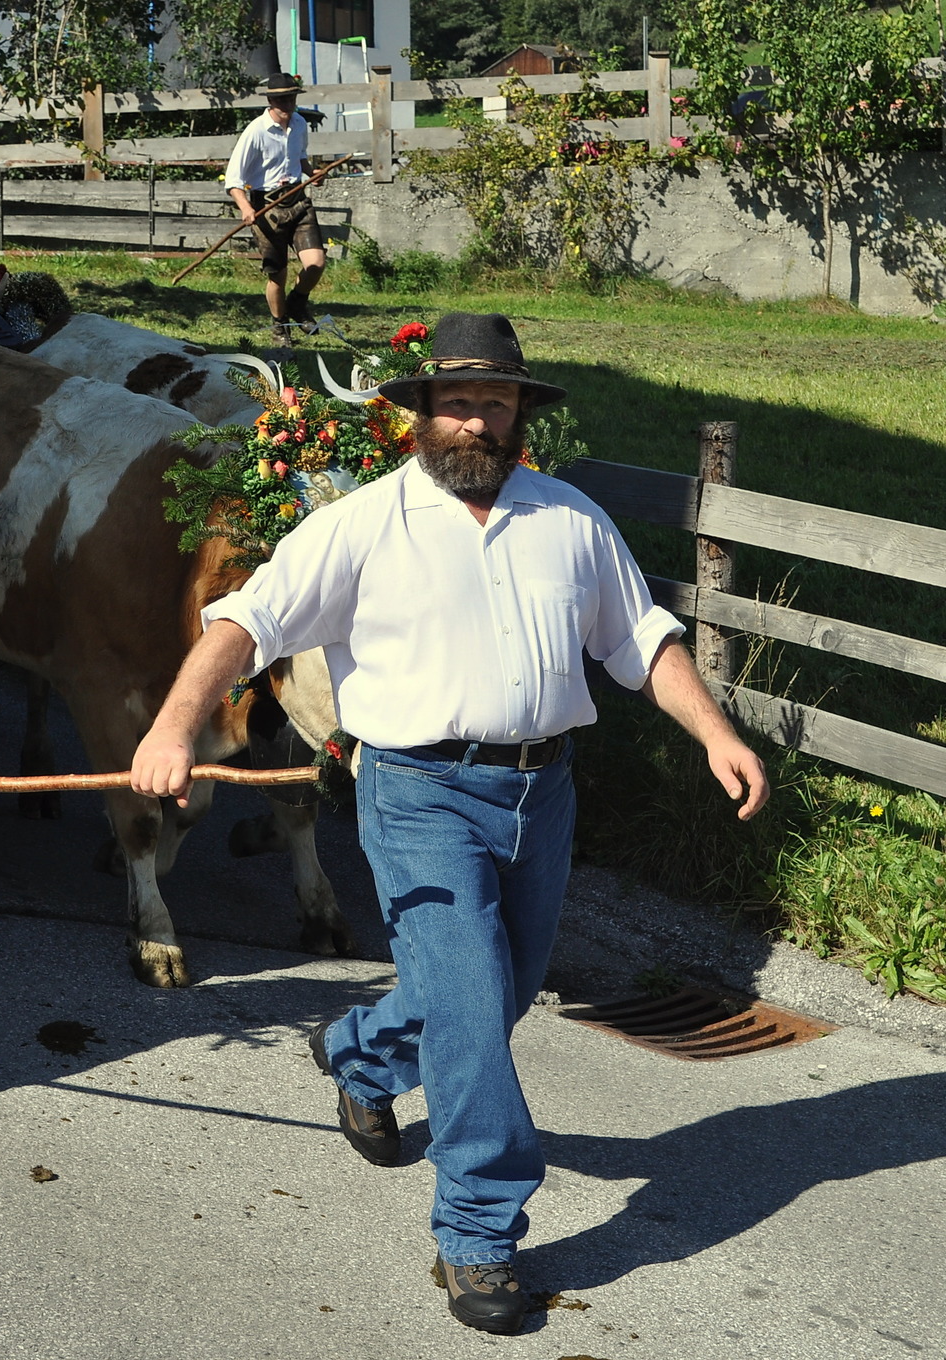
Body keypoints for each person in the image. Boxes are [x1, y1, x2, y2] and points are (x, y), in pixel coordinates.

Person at [130, 313, 771, 1335]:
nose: (477, 420)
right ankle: (477, 1233)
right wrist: (172, 725)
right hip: (415, 791)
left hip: (539, 791)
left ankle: (359, 1052)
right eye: (457, 402)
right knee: (470, 993)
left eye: (497, 402)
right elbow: (241, 622)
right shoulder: (361, 525)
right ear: (419, 415)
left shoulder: (568, 520)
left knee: (492, 992)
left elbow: (642, 640)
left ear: (521, 413)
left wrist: (712, 732)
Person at [224, 72, 327, 346]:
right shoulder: (256, 131)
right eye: (281, 98)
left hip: (298, 199)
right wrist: (245, 207)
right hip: (266, 207)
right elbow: (233, 179)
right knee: (277, 274)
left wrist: (311, 173)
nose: (286, 103)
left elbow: (300, 158)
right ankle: (280, 326)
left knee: (316, 263)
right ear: (270, 100)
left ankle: (297, 303)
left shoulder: (300, 124)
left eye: (290, 97)